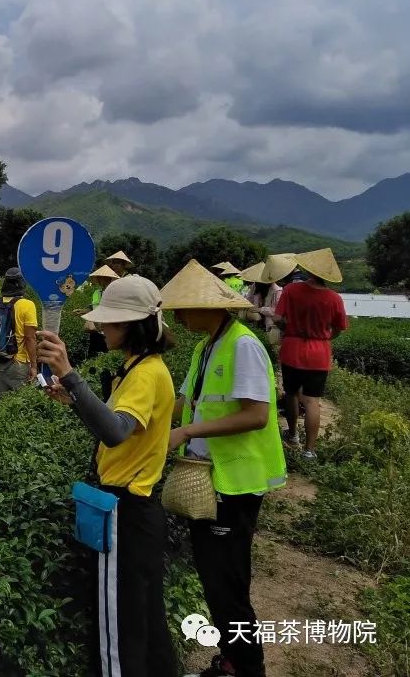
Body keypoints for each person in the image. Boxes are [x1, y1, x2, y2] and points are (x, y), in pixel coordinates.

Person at [37, 275, 178, 677]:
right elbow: (114, 425)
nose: (102, 327)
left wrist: (69, 373)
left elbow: (115, 433)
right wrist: (75, 399)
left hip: (127, 513)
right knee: (145, 614)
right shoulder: (139, 368)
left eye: (111, 321)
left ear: (134, 325)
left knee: (120, 624)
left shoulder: (147, 373)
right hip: (139, 510)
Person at [161, 260, 287, 677]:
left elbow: (256, 415)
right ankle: (232, 660)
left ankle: (248, 668)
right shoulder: (206, 345)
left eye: (184, 308)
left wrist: (188, 431)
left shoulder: (243, 345)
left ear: (211, 308)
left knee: (228, 585)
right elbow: (184, 401)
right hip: (210, 479)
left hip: (236, 482)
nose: (178, 317)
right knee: (217, 580)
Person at [274, 248, 348, 459]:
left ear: (309, 270)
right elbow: (339, 328)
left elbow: (279, 317)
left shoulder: (290, 290)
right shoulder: (335, 299)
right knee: (312, 401)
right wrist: (324, 338)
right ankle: (310, 450)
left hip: (292, 349)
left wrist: (290, 327)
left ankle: (293, 435)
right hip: (319, 353)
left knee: (290, 393)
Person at [0, 267, 38, 395]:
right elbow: (30, 338)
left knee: (2, 403)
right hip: (18, 363)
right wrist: (34, 366)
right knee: (19, 405)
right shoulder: (27, 305)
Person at [85, 264, 120, 355]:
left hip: (107, 331)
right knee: (93, 353)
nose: (100, 280)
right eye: (99, 278)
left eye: (103, 278)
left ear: (109, 279)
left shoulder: (115, 293)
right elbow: (94, 307)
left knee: (105, 354)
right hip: (95, 329)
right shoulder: (97, 292)